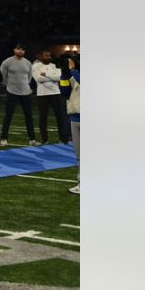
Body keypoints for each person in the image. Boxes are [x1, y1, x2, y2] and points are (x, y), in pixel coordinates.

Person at [0, 44, 37, 146]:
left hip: (26, 93)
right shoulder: (7, 62)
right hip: (11, 92)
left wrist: (25, 87)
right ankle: (3, 139)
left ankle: (32, 139)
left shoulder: (28, 63)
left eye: (22, 50)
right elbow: (3, 75)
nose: (20, 51)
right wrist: (8, 86)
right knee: (8, 116)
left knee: (29, 116)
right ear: (14, 50)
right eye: (18, 49)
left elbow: (29, 78)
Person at [32, 49, 70, 145]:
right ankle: (44, 139)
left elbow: (58, 77)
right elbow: (38, 78)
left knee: (60, 116)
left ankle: (63, 138)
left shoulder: (54, 65)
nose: (47, 57)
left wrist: (46, 75)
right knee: (43, 118)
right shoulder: (36, 66)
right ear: (41, 56)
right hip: (42, 94)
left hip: (56, 93)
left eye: (49, 56)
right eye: (45, 55)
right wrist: (52, 77)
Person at [67, 55, 81, 194]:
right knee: (79, 154)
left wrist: (73, 70)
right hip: (75, 117)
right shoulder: (73, 76)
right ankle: (80, 182)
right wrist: (64, 77)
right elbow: (66, 92)